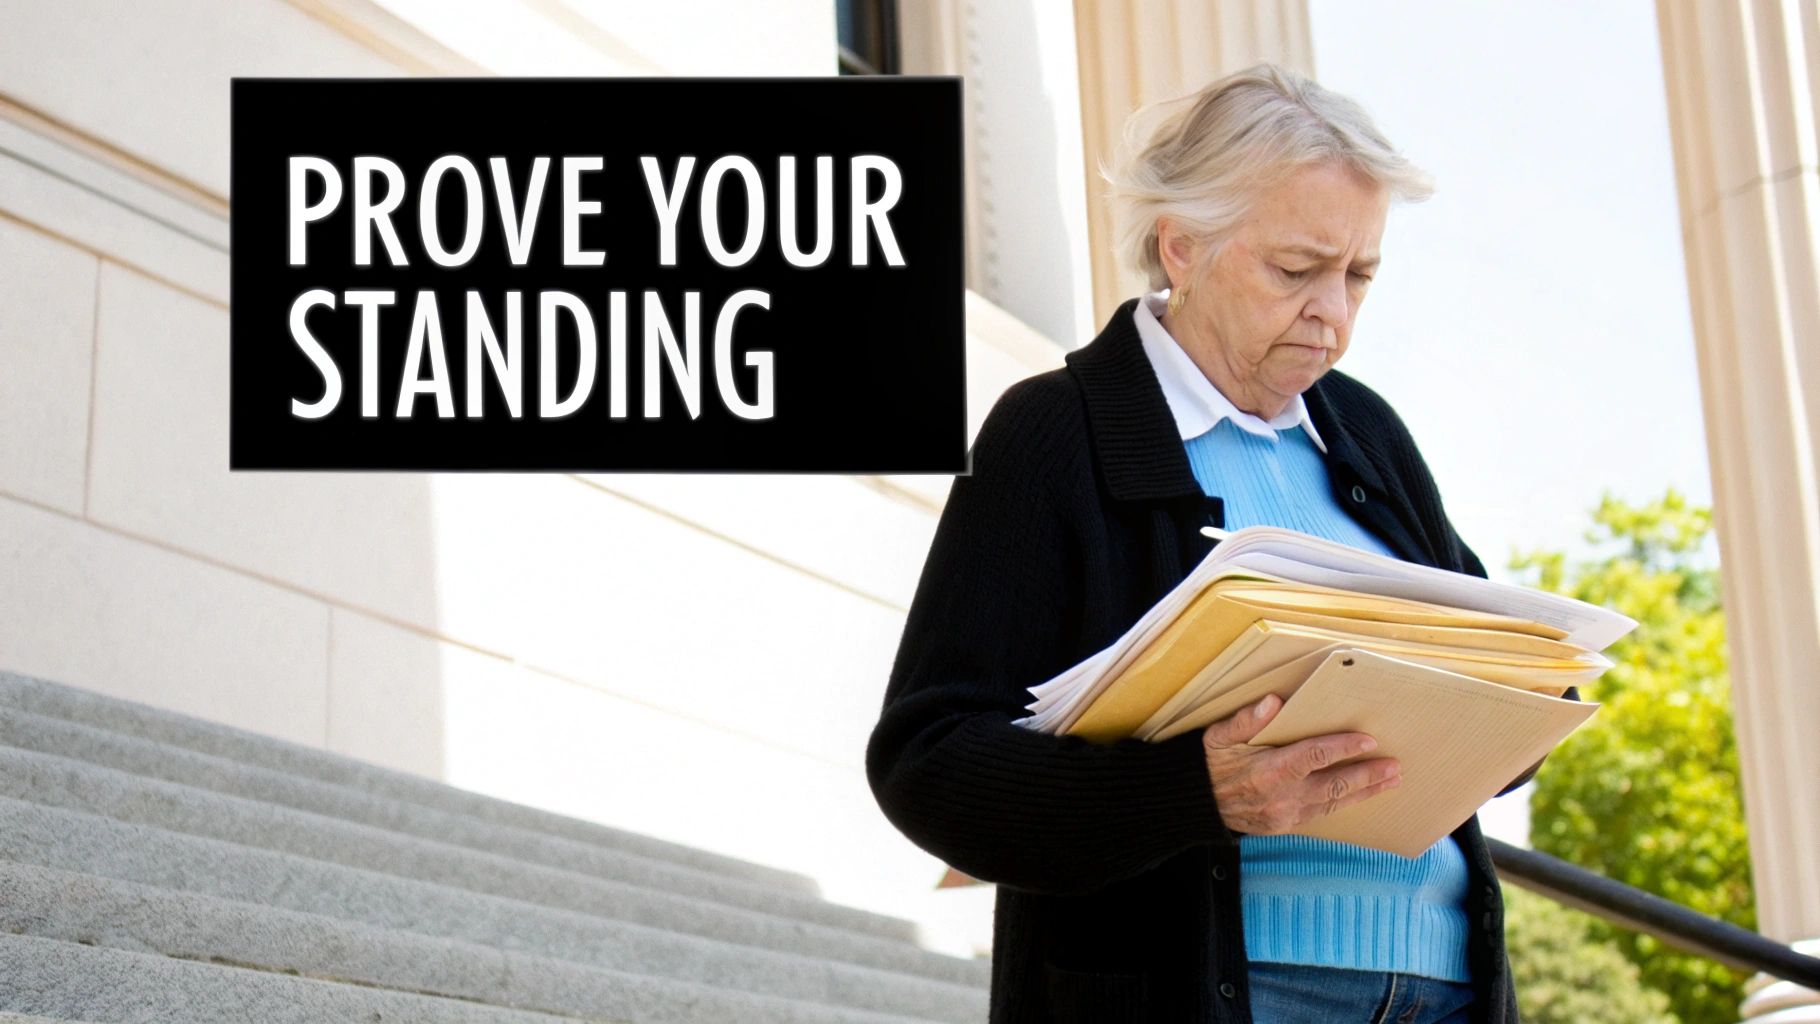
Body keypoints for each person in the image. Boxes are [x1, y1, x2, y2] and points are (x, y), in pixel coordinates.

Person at [866, 64, 1573, 1024]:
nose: (1334, 311)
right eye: (1296, 269)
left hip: (1444, 987)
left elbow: (1495, 684)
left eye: (1359, 275)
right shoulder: (1057, 432)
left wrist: (1519, 705)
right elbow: (930, 765)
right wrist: (1195, 789)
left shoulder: (1366, 431)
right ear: (1183, 246)